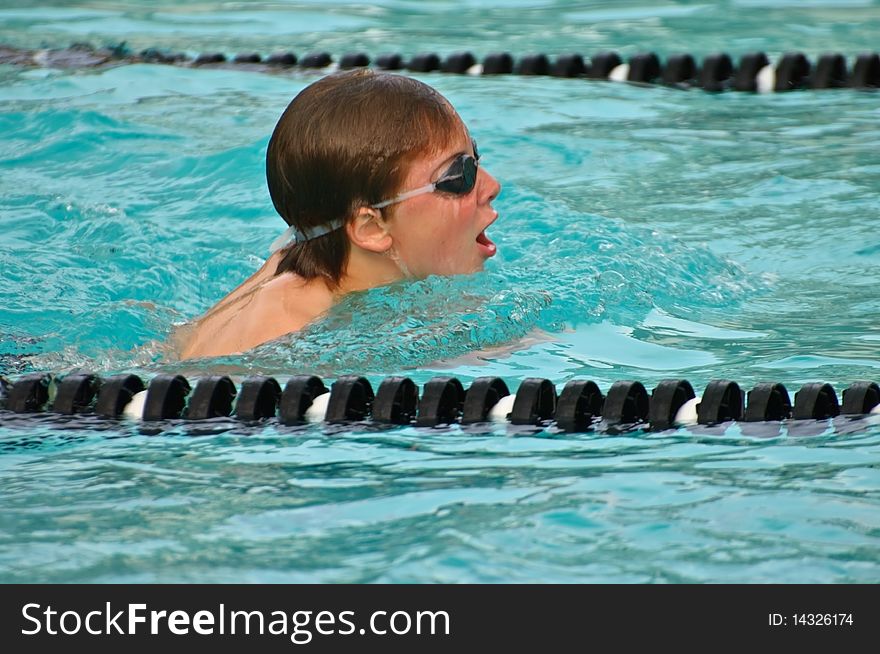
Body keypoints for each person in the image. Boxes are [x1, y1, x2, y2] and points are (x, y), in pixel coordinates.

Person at [176, 69, 501, 359]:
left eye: (476, 158)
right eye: (459, 177)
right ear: (370, 227)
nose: (492, 186)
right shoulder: (285, 337)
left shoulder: (299, 262)